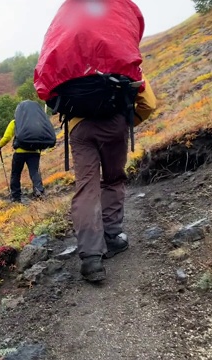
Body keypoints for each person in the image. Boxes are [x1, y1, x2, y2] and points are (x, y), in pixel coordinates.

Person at [68, 78, 156, 282]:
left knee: (86, 188)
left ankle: (90, 257)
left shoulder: (69, 60)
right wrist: (126, 121)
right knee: (113, 180)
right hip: (114, 122)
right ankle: (111, 237)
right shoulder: (120, 55)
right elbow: (149, 103)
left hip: (79, 127)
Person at [0, 116, 45, 203]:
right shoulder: (35, 122)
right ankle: (39, 191)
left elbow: (7, 137)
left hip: (20, 152)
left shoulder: (15, 122)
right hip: (34, 152)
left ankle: (16, 196)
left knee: (16, 174)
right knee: (34, 172)